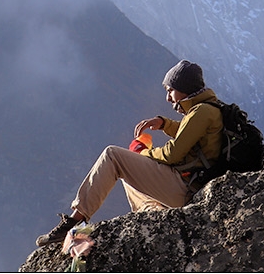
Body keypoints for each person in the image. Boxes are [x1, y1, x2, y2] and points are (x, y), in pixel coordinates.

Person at [36, 60, 225, 247]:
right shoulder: (208, 109)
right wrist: (165, 123)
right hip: (190, 186)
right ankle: (152, 212)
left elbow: (172, 154)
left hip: (186, 188)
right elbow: (193, 135)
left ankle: (73, 222)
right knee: (127, 174)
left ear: (185, 88)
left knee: (113, 156)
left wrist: (144, 153)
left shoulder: (201, 112)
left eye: (170, 90)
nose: (168, 97)